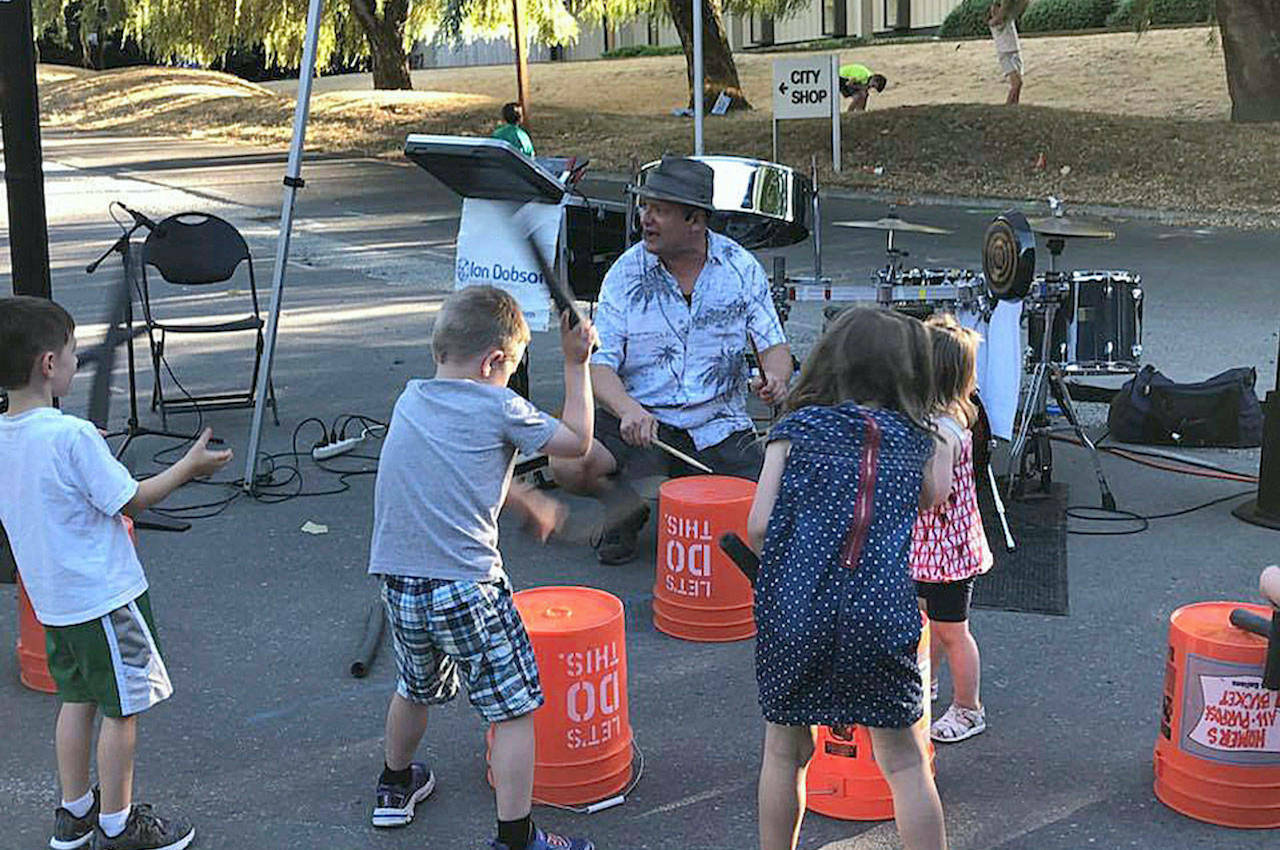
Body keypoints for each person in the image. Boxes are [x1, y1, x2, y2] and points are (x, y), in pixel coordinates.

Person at [366, 285, 598, 850]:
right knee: (515, 709)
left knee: (414, 687)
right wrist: (576, 364)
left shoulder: (412, 398)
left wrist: (525, 500)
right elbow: (579, 443)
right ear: (495, 361)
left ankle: (394, 787)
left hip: (401, 587)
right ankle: (517, 838)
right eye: (509, 369)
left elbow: (455, 465)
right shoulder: (500, 405)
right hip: (469, 586)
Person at [0, 296, 232, 850]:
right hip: (105, 601)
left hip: (55, 605)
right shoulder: (71, 436)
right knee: (123, 711)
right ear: (48, 365)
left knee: (75, 701)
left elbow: (48, 485)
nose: (78, 360)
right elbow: (132, 500)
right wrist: (188, 467)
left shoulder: (13, 437)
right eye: (74, 351)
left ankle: (75, 812)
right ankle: (119, 823)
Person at [747, 306, 951, 850]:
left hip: (797, 613)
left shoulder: (795, 430)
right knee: (906, 764)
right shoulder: (915, 441)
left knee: (785, 753)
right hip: (882, 614)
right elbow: (934, 497)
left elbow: (759, 525)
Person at [549, 156, 793, 565]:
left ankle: (693, 492)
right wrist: (628, 410)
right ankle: (623, 507)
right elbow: (600, 364)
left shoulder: (740, 268)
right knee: (568, 462)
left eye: (660, 210)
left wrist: (777, 378)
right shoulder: (626, 273)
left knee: (771, 502)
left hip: (718, 427)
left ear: (695, 221)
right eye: (646, 207)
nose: (646, 218)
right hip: (642, 420)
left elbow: (775, 347)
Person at [910, 314, 993, 744]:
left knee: (952, 631)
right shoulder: (945, 416)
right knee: (930, 621)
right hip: (934, 546)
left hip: (947, 548)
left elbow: (935, 493)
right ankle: (928, 683)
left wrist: (904, 484)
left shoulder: (941, 431)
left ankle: (968, 708)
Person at [987, 0, 1025, 105]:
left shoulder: (1007, 18)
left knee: (1019, 84)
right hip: (1005, 54)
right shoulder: (994, 22)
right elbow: (1003, 12)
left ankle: (1014, 105)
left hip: (1015, 52)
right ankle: (1008, 106)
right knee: (1016, 83)